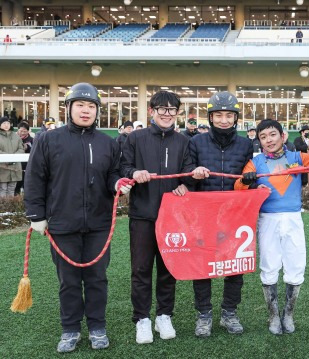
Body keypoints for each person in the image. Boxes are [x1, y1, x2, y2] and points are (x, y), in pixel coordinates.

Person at [24, 82, 129, 353]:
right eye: (80, 105)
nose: (86, 111)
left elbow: (112, 175)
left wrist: (117, 184)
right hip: (62, 223)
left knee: (97, 279)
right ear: (69, 108)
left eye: (91, 106)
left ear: (97, 111)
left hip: (98, 224)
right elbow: (35, 178)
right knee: (68, 281)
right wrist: (36, 214)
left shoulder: (108, 143)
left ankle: (97, 327)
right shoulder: (48, 139)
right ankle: (70, 329)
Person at [234, 119, 309, 335]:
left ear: (282, 136)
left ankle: (288, 314)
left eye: (272, 134)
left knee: (296, 266)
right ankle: (273, 316)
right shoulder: (255, 162)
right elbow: (238, 187)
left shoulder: (296, 157)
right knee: (269, 266)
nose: (268, 140)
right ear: (259, 141)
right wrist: (248, 181)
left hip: (294, 219)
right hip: (267, 220)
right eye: (263, 137)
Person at [121, 91, 195, 345]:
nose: (166, 113)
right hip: (142, 215)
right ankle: (142, 319)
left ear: (177, 113)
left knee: (168, 270)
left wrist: (186, 184)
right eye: (161, 109)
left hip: (173, 218)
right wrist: (134, 172)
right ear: (151, 110)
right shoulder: (135, 138)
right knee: (140, 269)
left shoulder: (183, 141)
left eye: (172, 109)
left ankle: (164, 315)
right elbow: (123, 167)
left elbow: (188, 171)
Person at [189, 91, 253, 338]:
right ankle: (203, 314)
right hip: (204, 215)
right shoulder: (195, 143)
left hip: (236, 216)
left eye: (229, 115)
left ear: (236, 118)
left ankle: (229, 313)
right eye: (219, 115)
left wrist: (249, 180)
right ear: (211, 117)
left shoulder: (246, 145)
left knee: (234, 267)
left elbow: (252, 181)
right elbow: (186, 175)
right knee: (202, 267)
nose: (224, 120)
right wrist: (192, 173)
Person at [0, 116, 23, 197]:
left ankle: (11, 208)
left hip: (15, 167)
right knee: (3, 188)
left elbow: (21, 149)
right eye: (4, 123)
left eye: (8, 123)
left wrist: (14, 158)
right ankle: (2, 208)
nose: (6, 125)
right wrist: (8, 158)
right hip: (2, 167)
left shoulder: (16, 136)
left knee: (12, 188)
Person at [15, 121, 33, 195]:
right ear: (18, 130)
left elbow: (33, 151)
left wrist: (28, 147)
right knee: (16, 186)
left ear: (28, 131)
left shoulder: (32, 140)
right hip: (15, 166)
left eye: (25, 131)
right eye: (21, 131)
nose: (22, 133)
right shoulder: (13, 138)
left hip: (27, 166)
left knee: (27, 185)